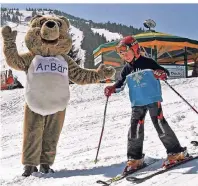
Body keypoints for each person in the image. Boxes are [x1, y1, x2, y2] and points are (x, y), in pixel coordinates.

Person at [104, 36, 188, 175]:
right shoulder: (126, 69)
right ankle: (135, 159)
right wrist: (112, 88)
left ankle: (176, 152)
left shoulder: (147, 62)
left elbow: (163, 72)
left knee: (160, 124)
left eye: (126, 52)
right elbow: (120, 84)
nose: (124, 56)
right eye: (121, 54)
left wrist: (160, 73)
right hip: (137, 102)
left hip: (152, 99)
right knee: (134, 129)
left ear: (135, 49)